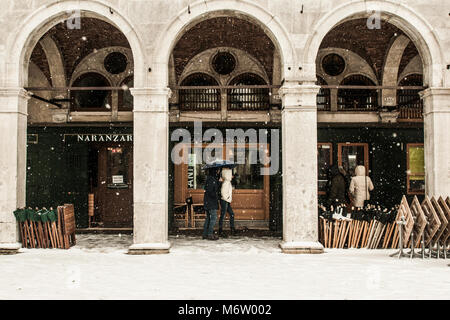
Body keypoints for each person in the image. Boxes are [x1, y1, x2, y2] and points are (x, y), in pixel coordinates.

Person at [202, 167, 220, 240]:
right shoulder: (212, 180)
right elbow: (211, 192)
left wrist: (218, 182)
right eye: (218, 170)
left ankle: (205, 234)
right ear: (215, 171)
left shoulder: (210, 179)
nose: (219, 171)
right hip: (211, 202)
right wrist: (216, 194)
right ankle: (209, 234)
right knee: (213, 218)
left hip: (208, 202)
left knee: (208, 218)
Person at [218, 167, 236, 237]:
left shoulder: (227, 182)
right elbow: (223, 192)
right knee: (223, 215)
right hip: (224, 200)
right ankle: (221, 230)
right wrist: (227, 198)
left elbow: (227, 191)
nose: (232, 176)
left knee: (231, 214)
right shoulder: (226, 182)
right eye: (231, 174)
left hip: (226, 200)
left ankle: (232, 228)